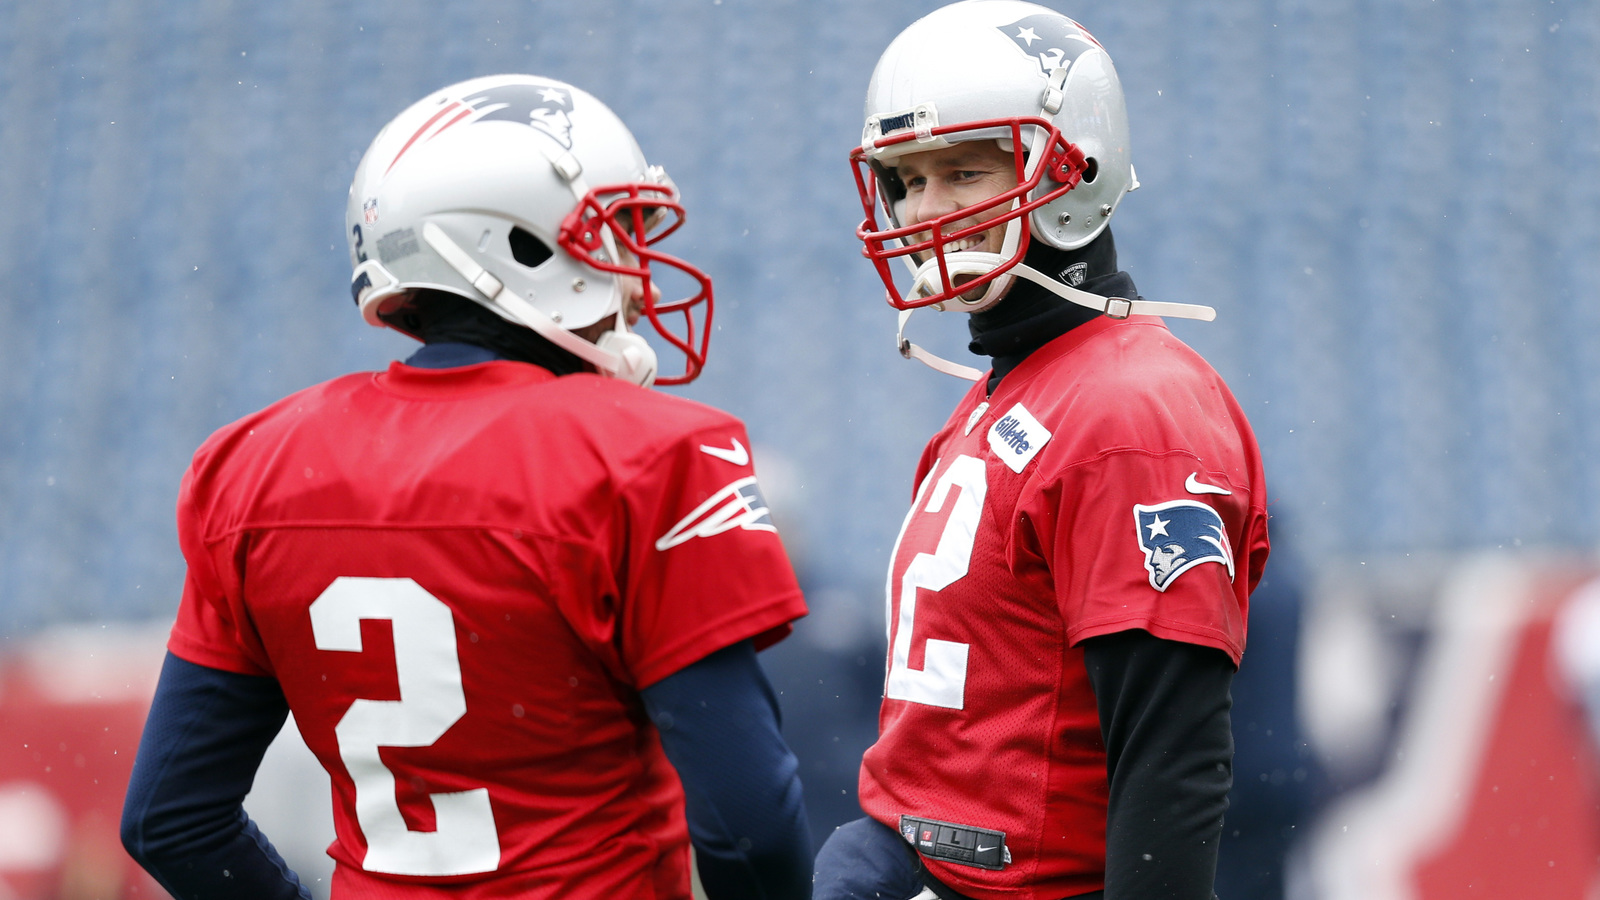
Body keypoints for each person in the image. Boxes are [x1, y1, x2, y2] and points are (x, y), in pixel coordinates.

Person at [120, 74, 813, 900]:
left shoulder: (254, 465)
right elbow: (750, 826)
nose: (635, 277)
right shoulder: (648, 456)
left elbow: (170, 818)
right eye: (612, 236)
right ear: (517, 247)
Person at [813, 3, 1271, 900]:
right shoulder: (1004, 395)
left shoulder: (1131, 413)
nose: (925, 208)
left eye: (963, 171)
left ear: (1074, 172)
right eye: (906, 179)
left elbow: (1170, 760)